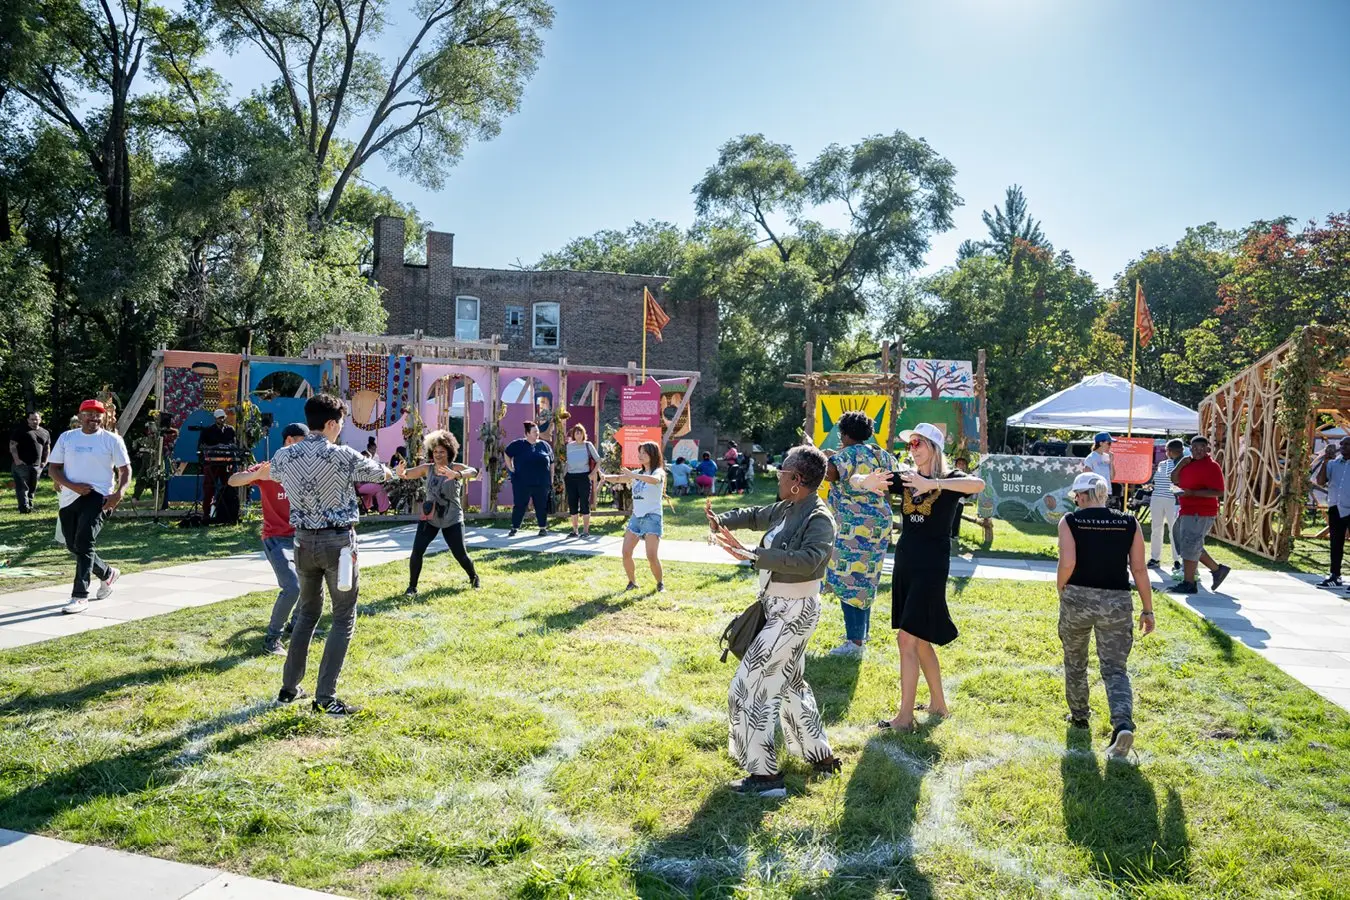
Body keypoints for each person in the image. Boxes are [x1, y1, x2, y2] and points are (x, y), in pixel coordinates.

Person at [707, 445, 842, 796]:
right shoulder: (788, 506)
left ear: (796, 480)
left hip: (795, 613)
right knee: (791, 685)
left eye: (783, 471)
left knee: (749, 686)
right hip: (779, 608)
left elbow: (810, 560)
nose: (778, 475)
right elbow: (755, 516)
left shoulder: (819, 518)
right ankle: (820, 756)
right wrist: (723, 520)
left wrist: (756, 555)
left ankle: (765, 777)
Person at [270, 394, 394, 716]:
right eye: (340, 422)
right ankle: (325, 697)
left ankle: (289, 687)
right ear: (330, 423)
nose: (341, 429)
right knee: (343, 618)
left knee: (307, 615)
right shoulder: (342, 455)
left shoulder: (285, 456)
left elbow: (276, 476)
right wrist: (394, 471)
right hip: (337, 543)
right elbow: (379, 474)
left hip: (301, 543)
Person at [859, 422, 985, 730]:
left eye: (918, 443)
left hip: (931, 564)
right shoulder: (905, 478)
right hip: (905, 561)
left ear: (933, 447)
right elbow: (855, 478)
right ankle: (939, 705)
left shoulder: (950, 479)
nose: (912, 449)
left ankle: (904, 718)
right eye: (910, 444)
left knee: (907, 638)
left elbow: (978, 485)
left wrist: (934, 486)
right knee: (920, 639)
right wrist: (866, 481)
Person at [1056, 472, 1155, 760]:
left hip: (1077, 598)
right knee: (1115, 669)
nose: (1075, 500)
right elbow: (1139, 570)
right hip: (1116, 602)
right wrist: (1147, 609)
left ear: (1084, 495)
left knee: (1075, 660)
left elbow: (1068, 562)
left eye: (1076, 496)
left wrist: (1060, 586)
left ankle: (1079, 715)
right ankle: (1122, 723)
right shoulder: (1129, 522)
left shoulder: (1071, 521)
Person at [821, 410, 899, 657]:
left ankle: (854, 643)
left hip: (855, 525)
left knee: (849, 580)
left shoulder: (846, 454)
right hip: (880, 523)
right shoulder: (880, 454)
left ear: (843, 434)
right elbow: (895, 478)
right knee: (866, 580)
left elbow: (831, 474)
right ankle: (861, 636)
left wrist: (823, 460)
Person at [228, 424, 307, 655]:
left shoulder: (307, 467)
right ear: (290, 441)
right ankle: (272, 639)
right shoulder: (269, 468)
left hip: (304, 536)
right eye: (303, 441)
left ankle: (296, 624)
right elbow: (233, 480)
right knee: (292, 587)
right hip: (276, 539)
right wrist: (256, 475)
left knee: (312, 584)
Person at [47, 400, 131, 615]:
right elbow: (54, 469)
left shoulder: (112, 440)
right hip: (70, 497)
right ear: (80, 416)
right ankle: (108, 573)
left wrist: (118, 495)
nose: (94, 417)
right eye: (89, 413)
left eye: (98, 414)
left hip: (99, 497)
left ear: (103, 417)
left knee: (84, 543)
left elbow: (125, 470)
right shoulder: (67, 438)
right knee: (72, 545)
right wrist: (72, 486)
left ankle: (79, 596)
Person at [397, 429, 480, 595]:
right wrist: (400, 473)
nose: (438, 455)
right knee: (417, 551)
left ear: (449, 452)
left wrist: (457, 474)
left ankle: (474, 577)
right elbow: (406, 474)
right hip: (430, 517)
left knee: (460, 554)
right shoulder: (427, 468)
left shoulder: (454, 467)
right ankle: (412, 587)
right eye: (435, 451)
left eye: (442, 452)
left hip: (452, 518)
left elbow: (474, 472)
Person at [600, 441, 667, 591]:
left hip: (652, 517)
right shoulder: (638, 473)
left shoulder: (658, 472)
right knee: (626, 552)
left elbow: (654, 480)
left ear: (653, 455)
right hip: (636, 517)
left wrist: (633, 475)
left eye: (644, 453)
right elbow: (619, 478)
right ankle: (632, 582)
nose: (640, 456)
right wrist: (605, 477)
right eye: (640, 452)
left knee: (651, 556)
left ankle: (660, 583)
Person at [1168, 435, 1231, 595]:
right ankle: (1217, 570)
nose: (1198, 451)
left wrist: (1193, 492)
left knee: (1190, 545)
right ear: (1190, 449)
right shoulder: (1187, 463)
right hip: (1186, 509)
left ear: (1207, 449)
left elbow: (1219, 492)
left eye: (1202, 448)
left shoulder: (1212, 466)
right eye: (1195, 448)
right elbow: (1174, 479)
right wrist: (1181, 464)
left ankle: (1189, 583)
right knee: (1186, 544)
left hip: (1201, 511)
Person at [504, 422, 554, 537]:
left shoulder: (544, 445)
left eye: (537, 431)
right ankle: (514, 527)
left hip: (541, 482)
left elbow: (551, 462)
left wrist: (551, 478)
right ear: (527, 433)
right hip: (522, 482)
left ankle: (542, 528)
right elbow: (507, 453)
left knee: (541, 505)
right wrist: (510, 467)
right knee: (520, 505)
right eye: (534, 432)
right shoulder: (518, 444)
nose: (537, 433)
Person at [1313, 435, 1350, 588]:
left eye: (1347, 444)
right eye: (1341, 444)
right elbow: (1321, 481)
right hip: (1335, 508)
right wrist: (1326, 460)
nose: (1342, 446)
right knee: (1336, 544)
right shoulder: (1333, 464)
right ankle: (1335, 576)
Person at [1147, 440, 1185, 572]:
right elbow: (1157, 480)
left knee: (1173, 531)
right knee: (1156, 529)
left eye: (1167, 450)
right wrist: (1151, 484)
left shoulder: (1182, 463)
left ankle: (1177, 560)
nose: (1166, 453)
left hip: (1172, 500)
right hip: (1157, 498)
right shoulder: (1162, 464)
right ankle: (1155, 558)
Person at [563, 424, 601, 538]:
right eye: (576, 433)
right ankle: (575, 530)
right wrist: (564, 475)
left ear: (584, 434)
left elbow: (598, 460)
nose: (578, 435)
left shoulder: (588, 445)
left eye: (580, 432)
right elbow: (566, 462)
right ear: (573, 434)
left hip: (584, 477)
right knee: (572, 503)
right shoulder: (569, 446)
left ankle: (585, 531)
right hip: (570, 477)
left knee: (584, 503)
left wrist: (593, 473)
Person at [9, 411, 51, 514]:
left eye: (36, 419)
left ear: (40, 420)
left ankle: (29, 506)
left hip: (37, 465)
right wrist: (17, 460)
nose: (34, 421)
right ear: (28, 420)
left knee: (33, 488)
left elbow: (47, 448)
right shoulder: (20, 431)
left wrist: (45, 461)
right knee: (23, 488)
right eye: (32, 419)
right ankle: (24, 508)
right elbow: (12, 445)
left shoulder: (45, 432)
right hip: (21, 465)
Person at [199, 409, 237, 520]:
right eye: (220, 417)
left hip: (226, 462)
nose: (222, 419)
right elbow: (202, 447)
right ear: (215, 418)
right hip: (211, 463)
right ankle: (206, 514)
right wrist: (216, 447)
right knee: (209, 488)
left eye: (223, 417)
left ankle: (227, 514)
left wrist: (229, 448)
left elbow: (234, 444)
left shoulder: (230, 430)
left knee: (228, 486)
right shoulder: (208, 430)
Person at [1082, 432, 1118, 509]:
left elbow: (1112, 477)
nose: (1110, 446)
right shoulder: (1090, 458)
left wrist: (1111, 462)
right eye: (1109, 443)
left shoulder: (1107, 457)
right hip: (1095, 493)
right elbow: (1087, 477)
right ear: (1101, 443)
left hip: (1107, 492)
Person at [950, 455, 971, 545]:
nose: (961, 465)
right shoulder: (952, 474)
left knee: (957, 518)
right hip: (951, 500)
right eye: (959, 463)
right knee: (950, 517)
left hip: (960, 500)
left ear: (965, 466)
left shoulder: (967, 476)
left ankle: (954, 534)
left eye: (963, 464)